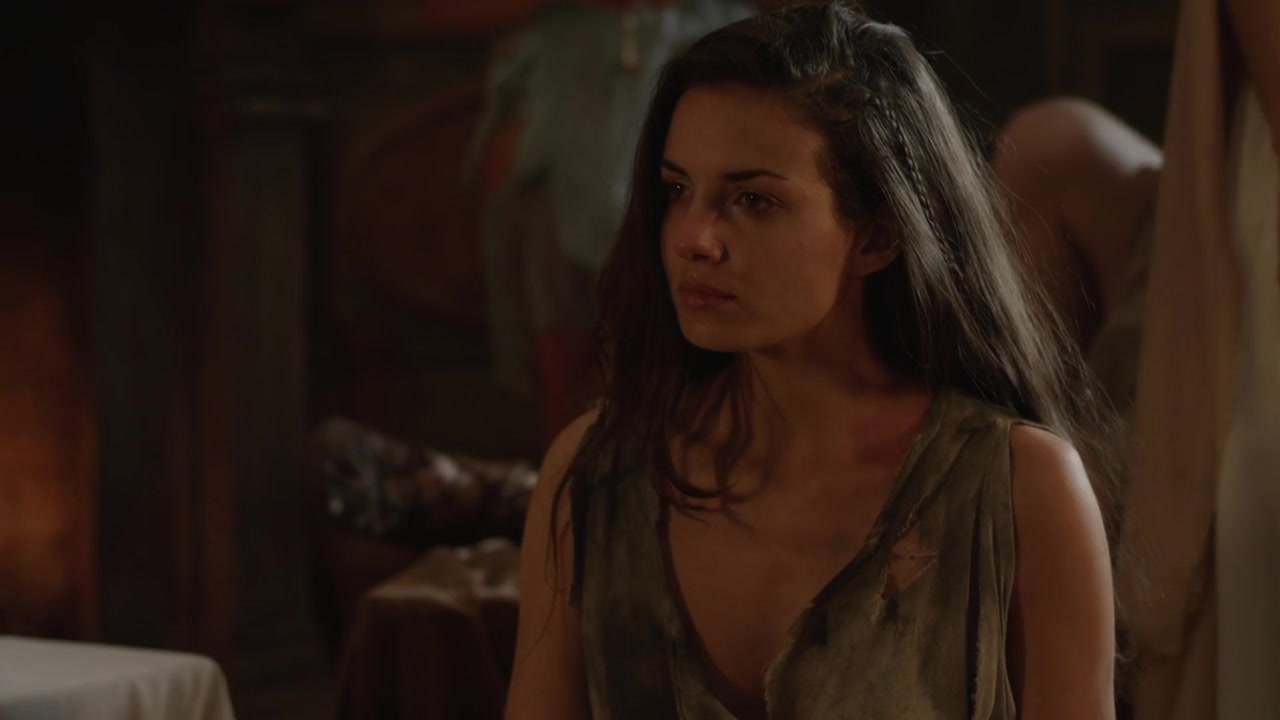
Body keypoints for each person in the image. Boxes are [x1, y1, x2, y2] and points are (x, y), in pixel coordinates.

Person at [506, 4, 1117, 719]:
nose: (694, 238)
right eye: (677, 191)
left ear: (878, 235)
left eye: (753, 200)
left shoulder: (1017, 488)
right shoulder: (595, 476)